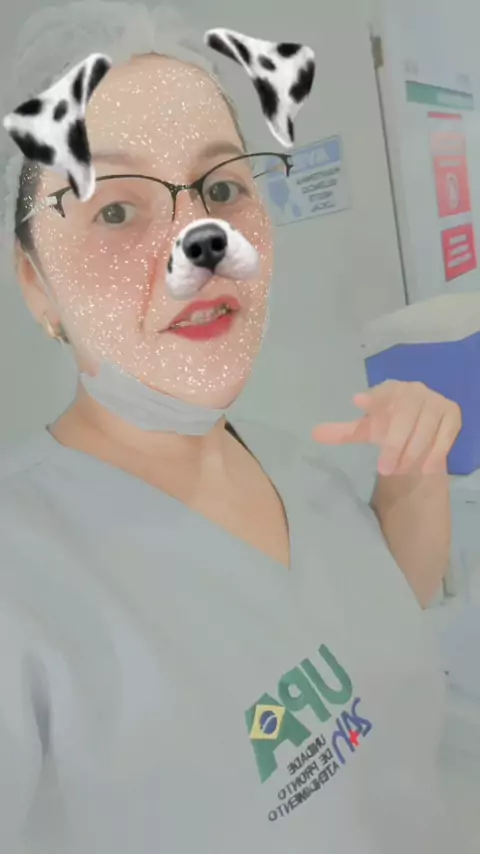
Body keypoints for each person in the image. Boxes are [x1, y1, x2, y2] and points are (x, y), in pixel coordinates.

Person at [0, 3, 471, 853]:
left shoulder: (302, 468)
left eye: (221, 188)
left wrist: (413, 473)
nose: (201, 239)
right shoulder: (22, 576)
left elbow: (383, 619)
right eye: (116, 211)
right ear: (36, 283)